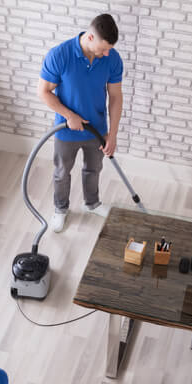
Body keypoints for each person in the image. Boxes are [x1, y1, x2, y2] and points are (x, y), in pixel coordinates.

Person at [38, 13, 124, 233]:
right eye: (103, 48)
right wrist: (69, 115)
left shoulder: (112, 59)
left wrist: (112, 134)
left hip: (97, 130)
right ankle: (60, 210)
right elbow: (44, 92)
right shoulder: (60, 55)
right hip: (67, 131)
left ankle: (92, 204)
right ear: (91, 37)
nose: (107, 53)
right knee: (61, 172)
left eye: (110, 49)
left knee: (93, 169)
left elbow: (115, 96)